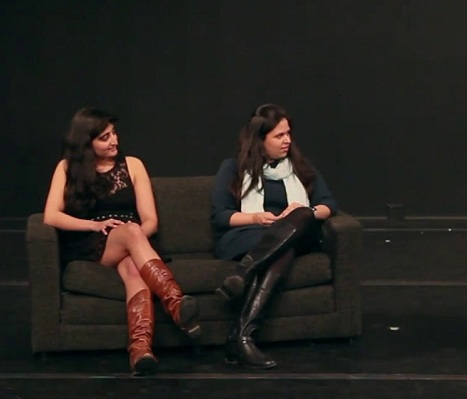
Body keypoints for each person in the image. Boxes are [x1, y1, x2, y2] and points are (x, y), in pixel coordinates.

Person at [43, 108, 201, 376]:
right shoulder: (67, 168)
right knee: (129, 233)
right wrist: (95, 225)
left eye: (114, 133)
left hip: (133, 239)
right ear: (87, 142)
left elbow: (150, 220)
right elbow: (51, 215)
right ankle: (175, 302)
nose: (114, 140)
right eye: (105, 137)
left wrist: (135, 236)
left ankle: (140, 350)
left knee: (132, 269)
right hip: (92, 241)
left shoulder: (133, 165)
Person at [210, 103, 339, 369]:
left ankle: (243, 273)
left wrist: (306, 212)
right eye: (279, 135)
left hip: (298, 233)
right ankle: (242, 337)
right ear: (260, 139)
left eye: (289, 133)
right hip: (249, 234)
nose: (287, 140)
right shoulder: (233, 168)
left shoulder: (300, 166)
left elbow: (329, 204)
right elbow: (221, 216)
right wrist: (256, 218)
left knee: (302, 214)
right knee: (284, 249)